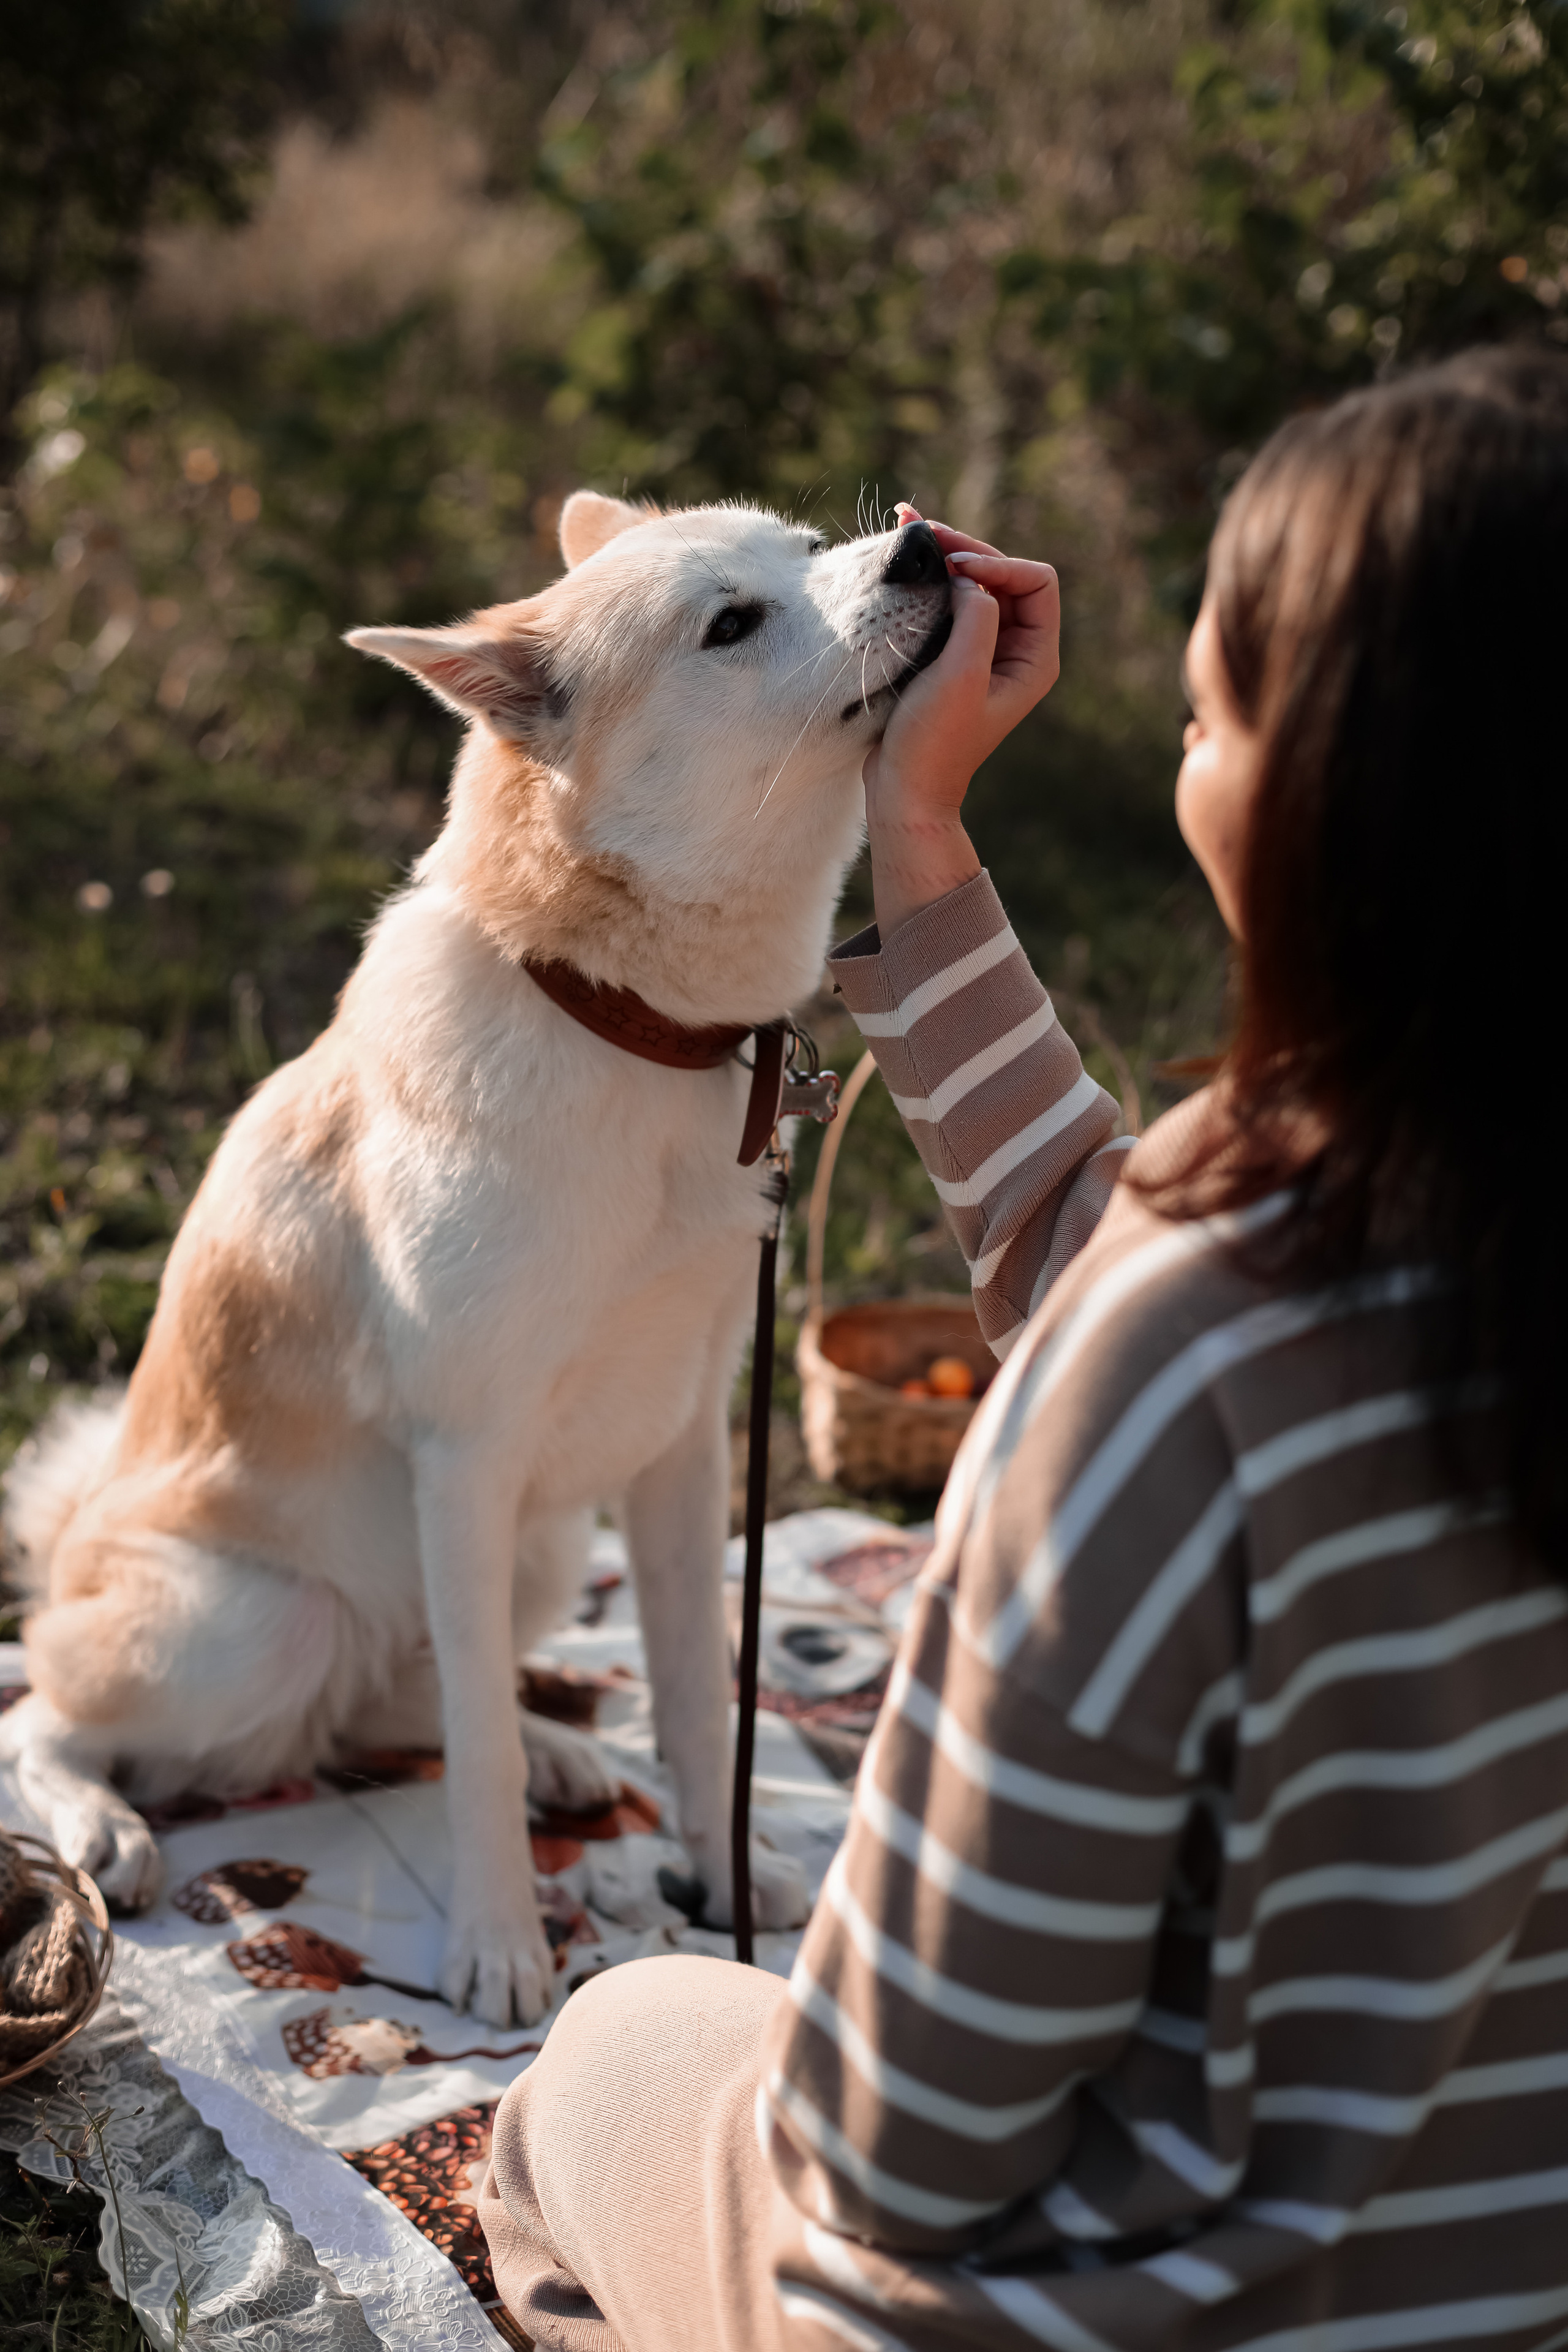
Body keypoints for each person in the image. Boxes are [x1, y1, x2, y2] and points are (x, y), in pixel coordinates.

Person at [476, 346, 1568, 2351]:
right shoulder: (1381, 1254)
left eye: (1210, 710)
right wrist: (919, 826)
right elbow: (1117, 1249)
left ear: (1336, 801)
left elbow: (895, 2151)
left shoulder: (1182, 1366)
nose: (1181, 734)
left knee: (603, 2062)